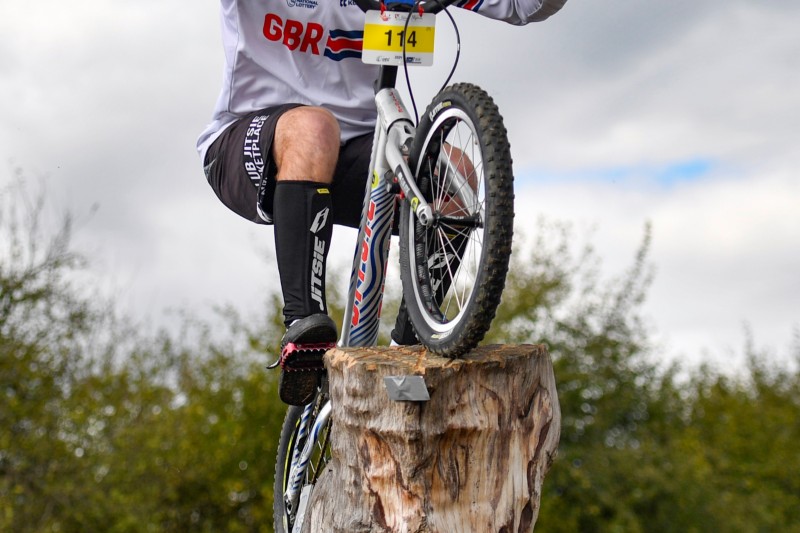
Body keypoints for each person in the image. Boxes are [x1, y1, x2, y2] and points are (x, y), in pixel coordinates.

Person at [197, 0, 567, 406]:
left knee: (455, 180)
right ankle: (303, 328)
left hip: (361, 150)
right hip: (249, 140)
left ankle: (410, 343)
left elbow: (524, 7)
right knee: (314, 126)